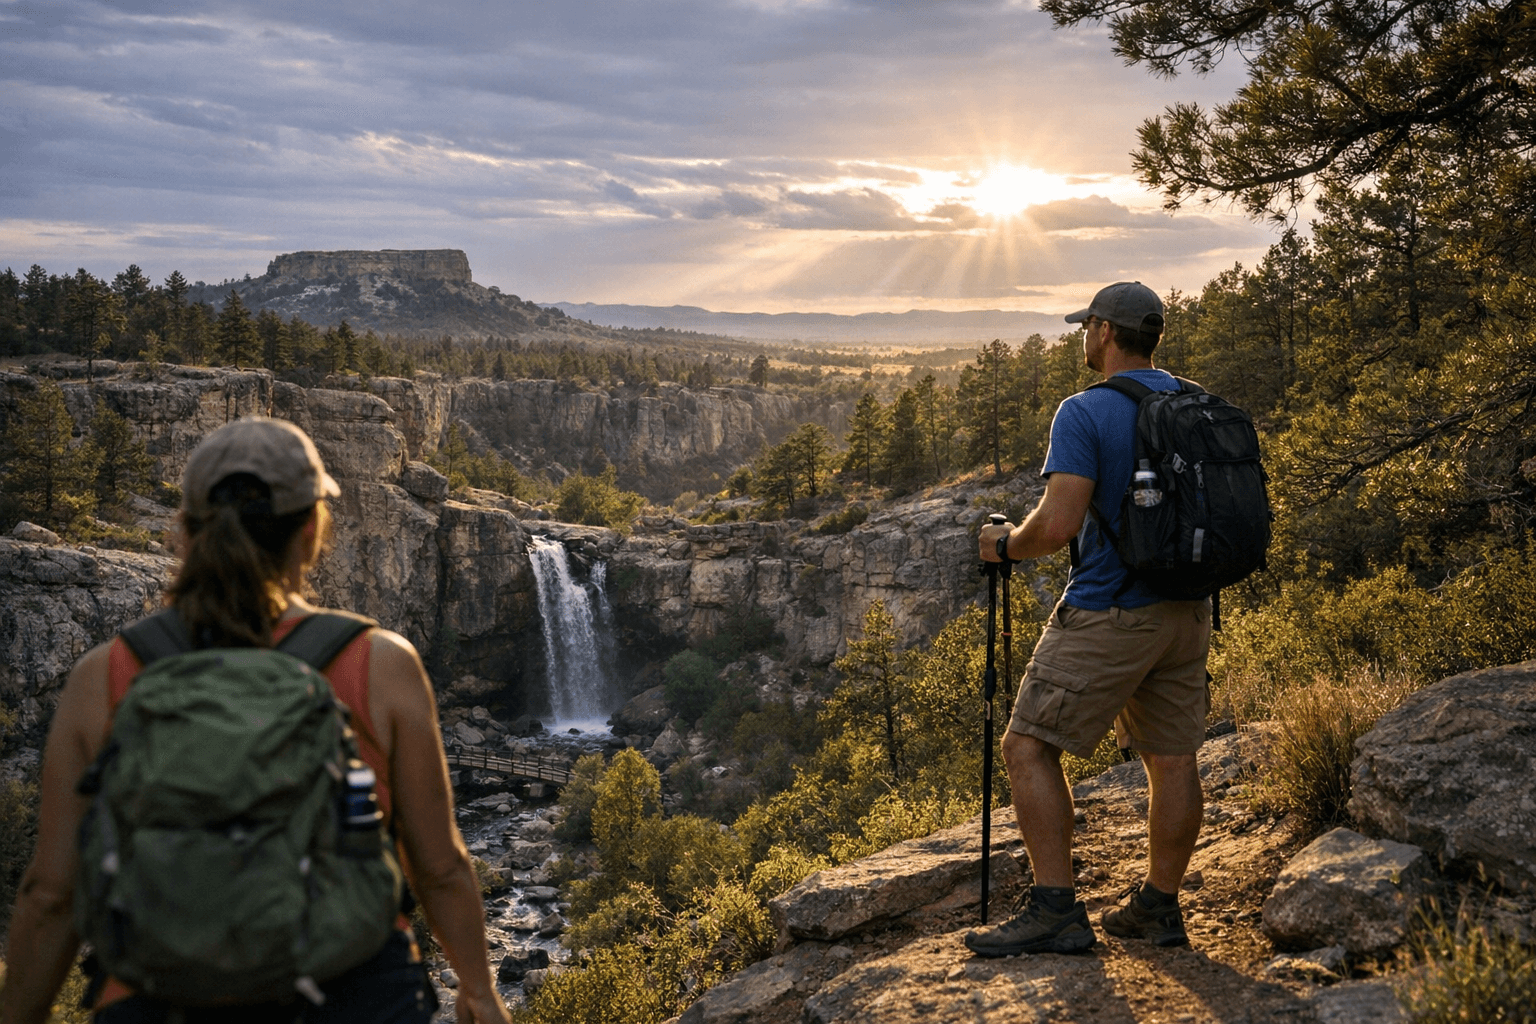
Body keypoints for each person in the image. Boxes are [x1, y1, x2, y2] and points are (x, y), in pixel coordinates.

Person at [1, 417, 513, 1024]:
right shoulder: (380, 665)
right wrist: (478, 988)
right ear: (311, 531)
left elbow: (52, 895)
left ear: (183, 532)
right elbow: (439, 865)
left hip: (161, 1001)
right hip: (352, 999)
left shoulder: (105, 675)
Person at [968, 282, 1210, 957]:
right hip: (1188, 609)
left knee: (1027, 747)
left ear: (1105, 332)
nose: (1083, 336)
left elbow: (1058, 524)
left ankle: (1055, 910)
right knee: (1172, 758)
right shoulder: (1193, 401)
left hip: (1111, 609)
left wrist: (1005, 545)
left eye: (1086, 326)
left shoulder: (1085, 410)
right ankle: (1159, 908)